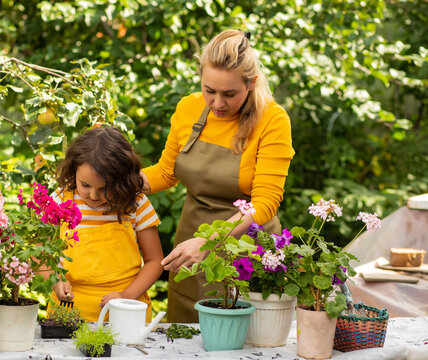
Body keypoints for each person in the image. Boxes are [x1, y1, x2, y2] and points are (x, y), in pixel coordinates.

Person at [141, 29, 295, 322]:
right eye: (209, 90)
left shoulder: (272, 120)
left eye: (229, 94)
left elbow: (264, 204)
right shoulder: (188, 107)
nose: (217, 103)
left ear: (252, 83)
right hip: (189, 249)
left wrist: (210, 241)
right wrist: (118, 183)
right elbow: (165, 173)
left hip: (246, 253)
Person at [51, 126, 164, 322]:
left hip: (125, 311)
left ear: (123, 180)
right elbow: (39, 254)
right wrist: (54, 280)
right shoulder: (61, 201)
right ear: (73, 169)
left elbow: (155, 262)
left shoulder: (135, 204)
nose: (93, 196)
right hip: (71, 309)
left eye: (105, 188)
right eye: (85, 185)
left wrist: (125, 296)